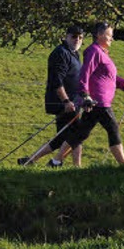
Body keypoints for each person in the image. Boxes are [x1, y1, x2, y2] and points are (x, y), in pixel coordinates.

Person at [64, 22, 124, 166]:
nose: (112, 39)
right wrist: (84, 94)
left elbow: (109, 78)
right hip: (99, 100)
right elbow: (84, 73)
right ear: (99, 35)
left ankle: (56, 160)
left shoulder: (102, 52)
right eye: (110, 35)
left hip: (97, 101)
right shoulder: (94, 51)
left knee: (81, 133)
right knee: (113, 128)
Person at [19, 25, 85, 167]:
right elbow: (57, 80)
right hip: (64, 103)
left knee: (62, 138)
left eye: (80, 37)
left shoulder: (74, 53)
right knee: (77, 134)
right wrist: (66, 101)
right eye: (74, 36)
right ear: (66, 36)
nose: (77, 40)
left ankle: (30, 161)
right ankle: (73, 167)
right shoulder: (61, 53)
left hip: (73, 102)